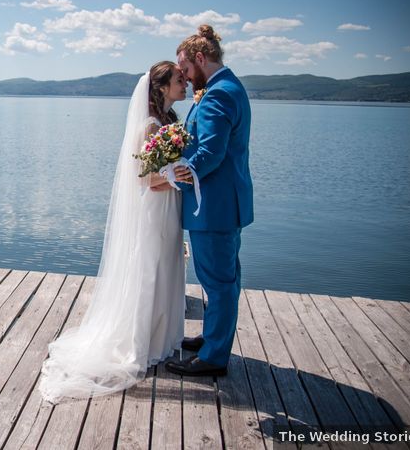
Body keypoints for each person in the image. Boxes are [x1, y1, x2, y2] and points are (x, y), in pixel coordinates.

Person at [38, 61, 188, 403]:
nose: (186, 85)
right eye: (179, 80)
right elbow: (147, 180)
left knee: (165, 268)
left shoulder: (172, 122)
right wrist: (177, 177)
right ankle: (139, 342)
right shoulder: (150, 127)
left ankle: (161, 338)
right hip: (154, 211)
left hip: (170, 209)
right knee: (148, 271)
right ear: (162, 87)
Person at [168, 25, 253, 377]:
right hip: (223, 204)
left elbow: (211, 152)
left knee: (218, 282)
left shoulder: (218, 94)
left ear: (201, 59)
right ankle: (211, 338)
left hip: (213, 206)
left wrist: (179, 172)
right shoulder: (226, 87)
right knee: (220, 279)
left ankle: (214, 357)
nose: (186, 79)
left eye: (186, 69)